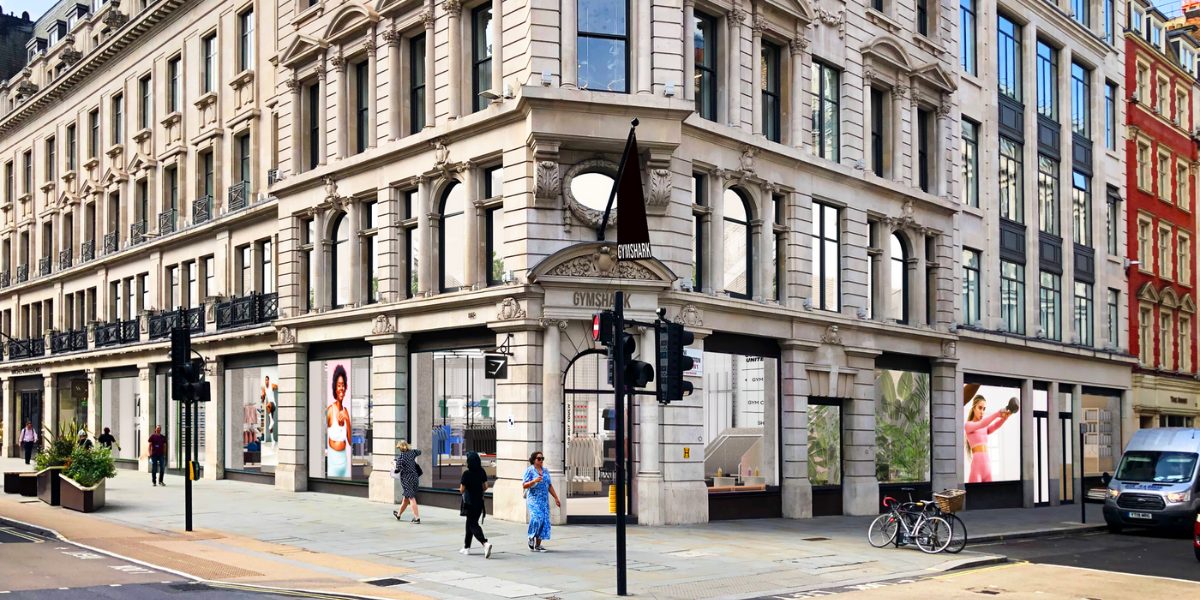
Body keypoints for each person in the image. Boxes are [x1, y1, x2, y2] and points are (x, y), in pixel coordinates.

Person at [965, 395, 1014, 483]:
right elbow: (981, 424)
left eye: (984, 409)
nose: (982, 412)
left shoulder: (984, 428)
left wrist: (1004, 418)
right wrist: (996, 414)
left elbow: (994, 426)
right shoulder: (968, 425)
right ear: (973, 408)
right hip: (977, 469)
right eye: (980, 408)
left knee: (991, 496)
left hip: (987, 468)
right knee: (975, 496)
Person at [522, 451, 560, 552]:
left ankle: (538, 544)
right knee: (536, 518)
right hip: (533, 499)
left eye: (542, 458)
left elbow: (550, 485)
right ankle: (531, 537)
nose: (541, 460)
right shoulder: (530, 471)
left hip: (544, 500)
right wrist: (534, 481)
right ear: (534, 460)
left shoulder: (545, 471)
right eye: (539, 459)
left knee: (544, 521)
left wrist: (556, 498)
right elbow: (524, 485)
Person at [459, 451, 492, 557]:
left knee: (472, 524)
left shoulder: (466, 473)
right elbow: (486, 486)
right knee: (470, 523)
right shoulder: (482, 471)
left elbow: (461, 489)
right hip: (479, 502)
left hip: (469, 502)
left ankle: (484, 543)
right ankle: (466, 547)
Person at [326, 365, 351, 478]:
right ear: (335, 388)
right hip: (333, 464)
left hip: (344, 464)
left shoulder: (345, 411)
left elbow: (350, 441)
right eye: (339, 385)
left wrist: (347, 420)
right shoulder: (330, 410)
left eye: (343, 385)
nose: (341, 388)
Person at [393, 440, 422, 523]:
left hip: (406, 479)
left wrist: (394, 465)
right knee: (406, 498)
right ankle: (398, 515)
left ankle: (417, 518)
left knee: (411, 498)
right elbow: (419, 452)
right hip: (415, 477)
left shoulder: (401, 457)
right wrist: (411, 449)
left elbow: (397, 471)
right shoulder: (412, 453)